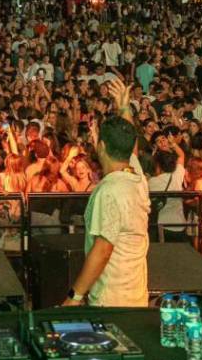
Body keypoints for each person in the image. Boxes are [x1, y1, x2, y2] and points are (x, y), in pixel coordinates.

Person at [63, 114, 148, 307]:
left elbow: (103, 250)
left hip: (110, 300)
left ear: (101, 147)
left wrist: (74, 297)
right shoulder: (138, 179)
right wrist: (125, 107)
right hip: (136, 295)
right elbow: (130, 148)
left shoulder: (109, 190)